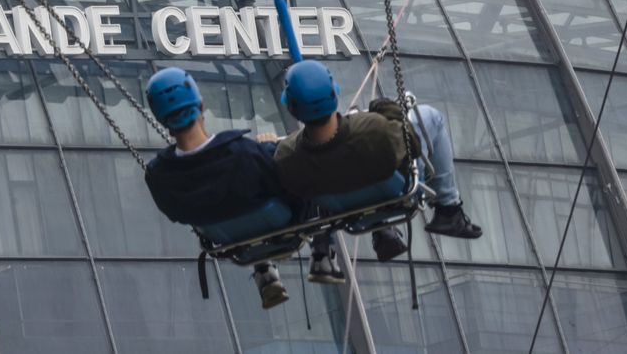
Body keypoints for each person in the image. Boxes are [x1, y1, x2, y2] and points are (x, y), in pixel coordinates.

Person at [142, 67, 344, 310]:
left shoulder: (160, 176)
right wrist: (272, 149)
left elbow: (177, 214)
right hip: (285, 224)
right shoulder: (244, 153)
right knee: (307, 174)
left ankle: (264, 269)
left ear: (160, 118)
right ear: (201, 105)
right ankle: (322, 251)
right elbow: (286, 178)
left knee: (235, 207)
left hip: (228, 238)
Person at [273, 60, 482, 260]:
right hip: (397, 190)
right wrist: (388, 109)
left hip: (343, 204)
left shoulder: (287, 157)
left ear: (292, 108)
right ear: (333, 95)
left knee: (349, 170)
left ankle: (382, 229)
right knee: (430, 117)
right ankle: (448, 208)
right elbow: (412, 145)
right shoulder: (372, 129)